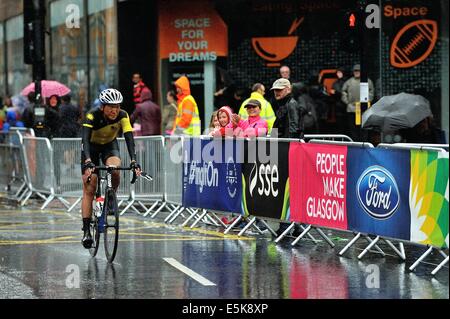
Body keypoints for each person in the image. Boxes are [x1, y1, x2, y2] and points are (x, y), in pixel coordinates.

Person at [80, 88, 142, 249]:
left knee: (115, 168)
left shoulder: (123, 115)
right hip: (91, 149)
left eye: (117, 106)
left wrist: (134, 161)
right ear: (102, 107)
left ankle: (110, 198)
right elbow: (85, 140)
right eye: (110, 106)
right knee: (90, 187)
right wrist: (88, 161)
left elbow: (129, 138)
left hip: (109, 146)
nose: (114, 110)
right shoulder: (92, 116)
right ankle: (86, 231)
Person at [270, 78, 304, 236]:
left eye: (280, 89)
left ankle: (290, 225)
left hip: (287, 151)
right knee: (287, 188)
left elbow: (294, 128)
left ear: (288, 89)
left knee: (289, 188)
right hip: (283, 150)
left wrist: (287, 149)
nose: (277, 92)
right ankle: (293, 225)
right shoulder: (283, 104)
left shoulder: (291, 104)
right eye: (275, 90)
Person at [341, 64, 374, 141]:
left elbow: (371, 92)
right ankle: (355, 142)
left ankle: (364, 142)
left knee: (363, 128)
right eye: (355, 70)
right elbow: (343, 92)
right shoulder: (348, 82)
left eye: (358, 70)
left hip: (363, 109)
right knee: (353, 128)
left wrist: (367, 101)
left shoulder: (367, 81)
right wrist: (347, 102)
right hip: (352, 108)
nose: (356, 72)